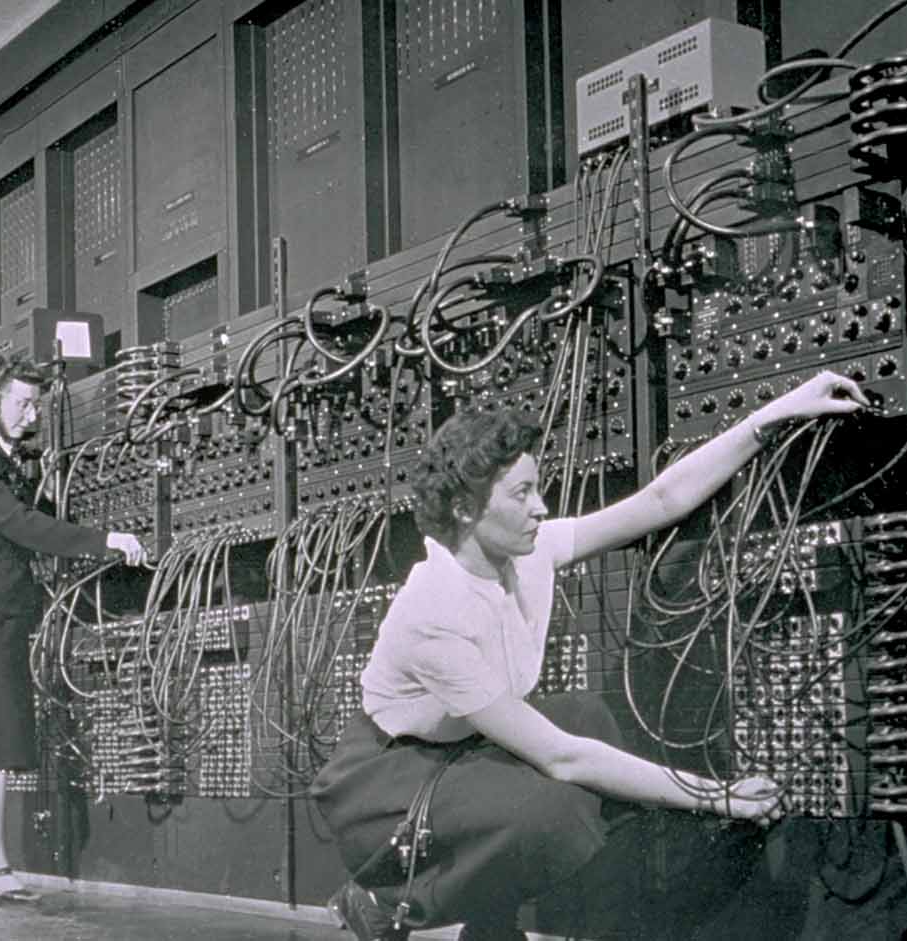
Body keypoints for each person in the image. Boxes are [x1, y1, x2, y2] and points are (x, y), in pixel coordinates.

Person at [312, 371, 871, 940]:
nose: (541, 507)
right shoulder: (433, 610)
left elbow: (659, 501)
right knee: (552, 812)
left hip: (459, 751)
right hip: (390, 783)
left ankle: (491, 924)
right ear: (463, 508)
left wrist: (774, 417)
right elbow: (563, 759)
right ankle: (383, 901)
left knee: (586, 716)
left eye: (538, 488)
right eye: (521, 494)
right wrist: (718, 797)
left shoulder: (526, 553)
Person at [0, 350, 146, 905]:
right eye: (23, 402)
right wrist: (105, 542)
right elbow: (21, 523)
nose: (33, 414)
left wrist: (104, 534)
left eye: (37, 403)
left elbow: (40, 513)